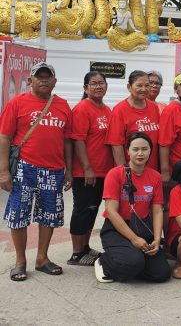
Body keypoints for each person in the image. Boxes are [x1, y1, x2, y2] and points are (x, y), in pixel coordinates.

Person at [0, 62, 73, 281]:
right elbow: (4, 137)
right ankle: (20, 261)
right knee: (19, 216)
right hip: (24, 168)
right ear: (30, 81)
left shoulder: (62, 105)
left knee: (49, 216)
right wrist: (3, 170)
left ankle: (42, 258)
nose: (43, 80)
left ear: (54, 81)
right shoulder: (17, 103)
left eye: (47, 77)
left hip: (54, 170)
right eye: (39, 77)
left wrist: (68, 169)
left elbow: (67, 140)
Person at [94, 132, 170, 283]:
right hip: (117, 228)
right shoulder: (115, 174)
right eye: (135, 149)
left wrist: (156, 238)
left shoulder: (155, 176)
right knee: (134, 262)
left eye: (144, 149)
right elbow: (110, 211)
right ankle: (104, 261)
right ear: (127, 151)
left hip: (142, 227)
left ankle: (132, 263)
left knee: (161, 274)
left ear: (150, 151)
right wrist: (134, 239)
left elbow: (157, 210)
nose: (140, 153)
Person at [68, 71, 113, 266]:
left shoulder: (106, 109)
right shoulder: (82, 108)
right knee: (82, 210)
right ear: (85, 88)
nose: (98, 86)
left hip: (103, 170)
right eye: (93, 84)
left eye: (101, 83)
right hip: (86, 172)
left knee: (92, 210)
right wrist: (87, 168)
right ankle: (77, 253)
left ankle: (85, 247)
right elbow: (77, 140)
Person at [105, 70, 160, 171]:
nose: (144, 89)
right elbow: (116, 145)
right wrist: (125, 172)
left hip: (151, 170)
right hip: (131, 170)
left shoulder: (154, 108)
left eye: (147, 85)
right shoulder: (120, 110)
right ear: (129, 87)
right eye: (139, 85)